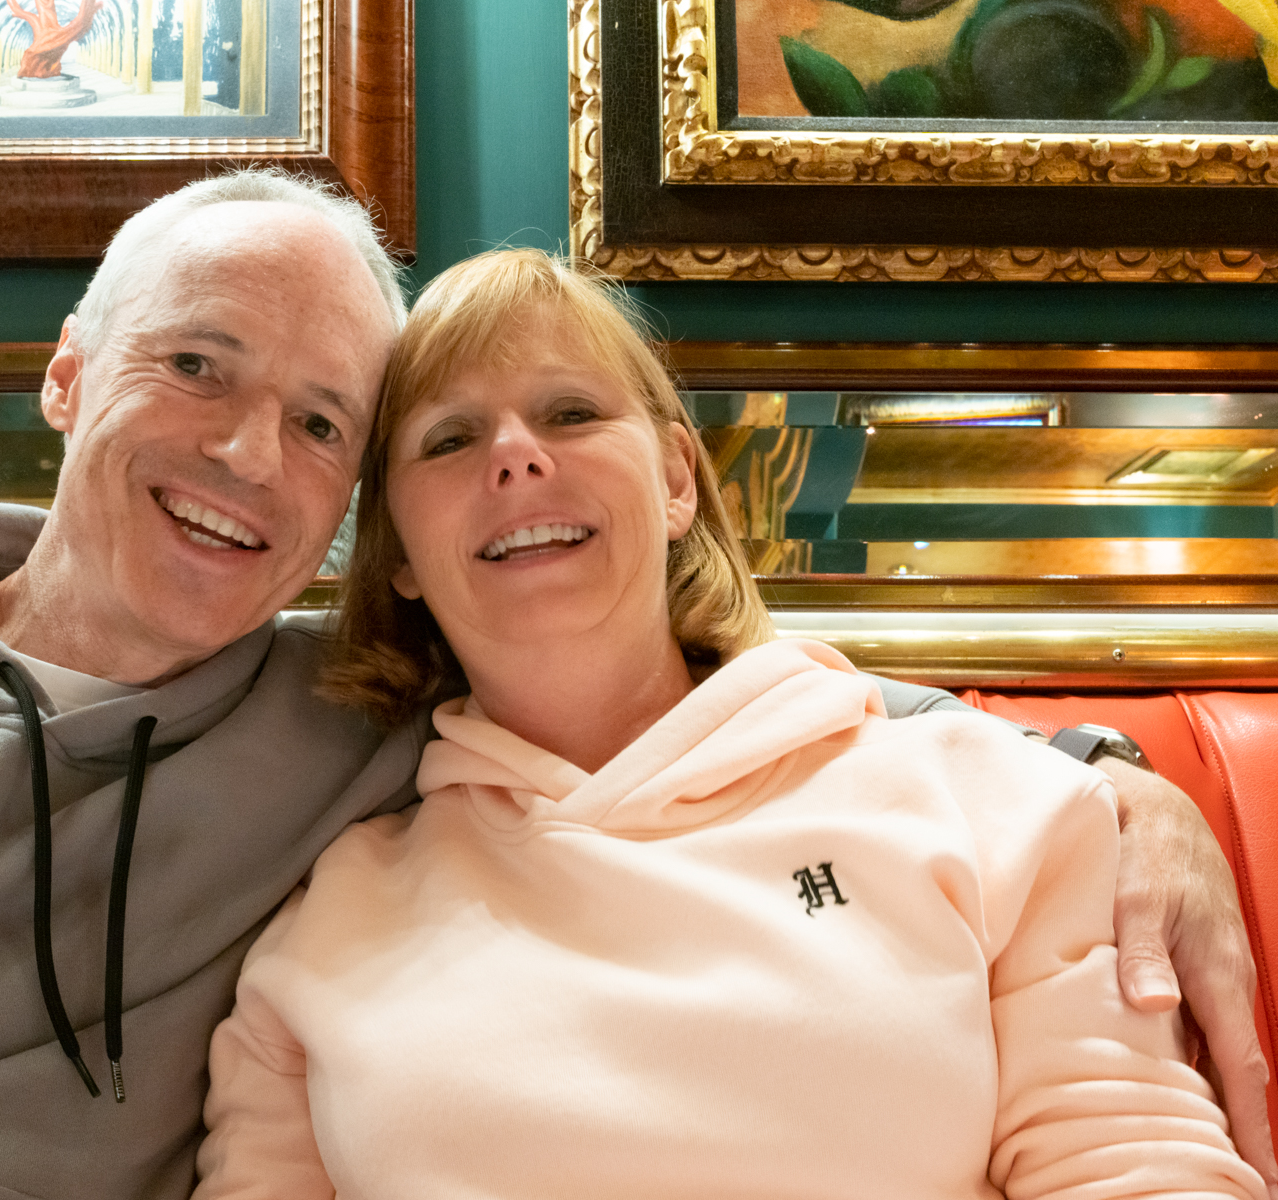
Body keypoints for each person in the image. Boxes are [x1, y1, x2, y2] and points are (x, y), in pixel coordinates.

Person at [0, 173, 1266, 1200]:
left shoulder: (337, 741)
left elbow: (791, 755)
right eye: (198, 367)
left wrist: (1119, 777)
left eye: (324, 421)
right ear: (67, 375)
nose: (252, 452)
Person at [192, 247, 1273, 1199]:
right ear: (396, 557)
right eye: (450, 438)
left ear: (674, 481)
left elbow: (1126, 1161)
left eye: (570, 412)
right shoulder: (326, 921)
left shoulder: (985, 799)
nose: (516, 456)